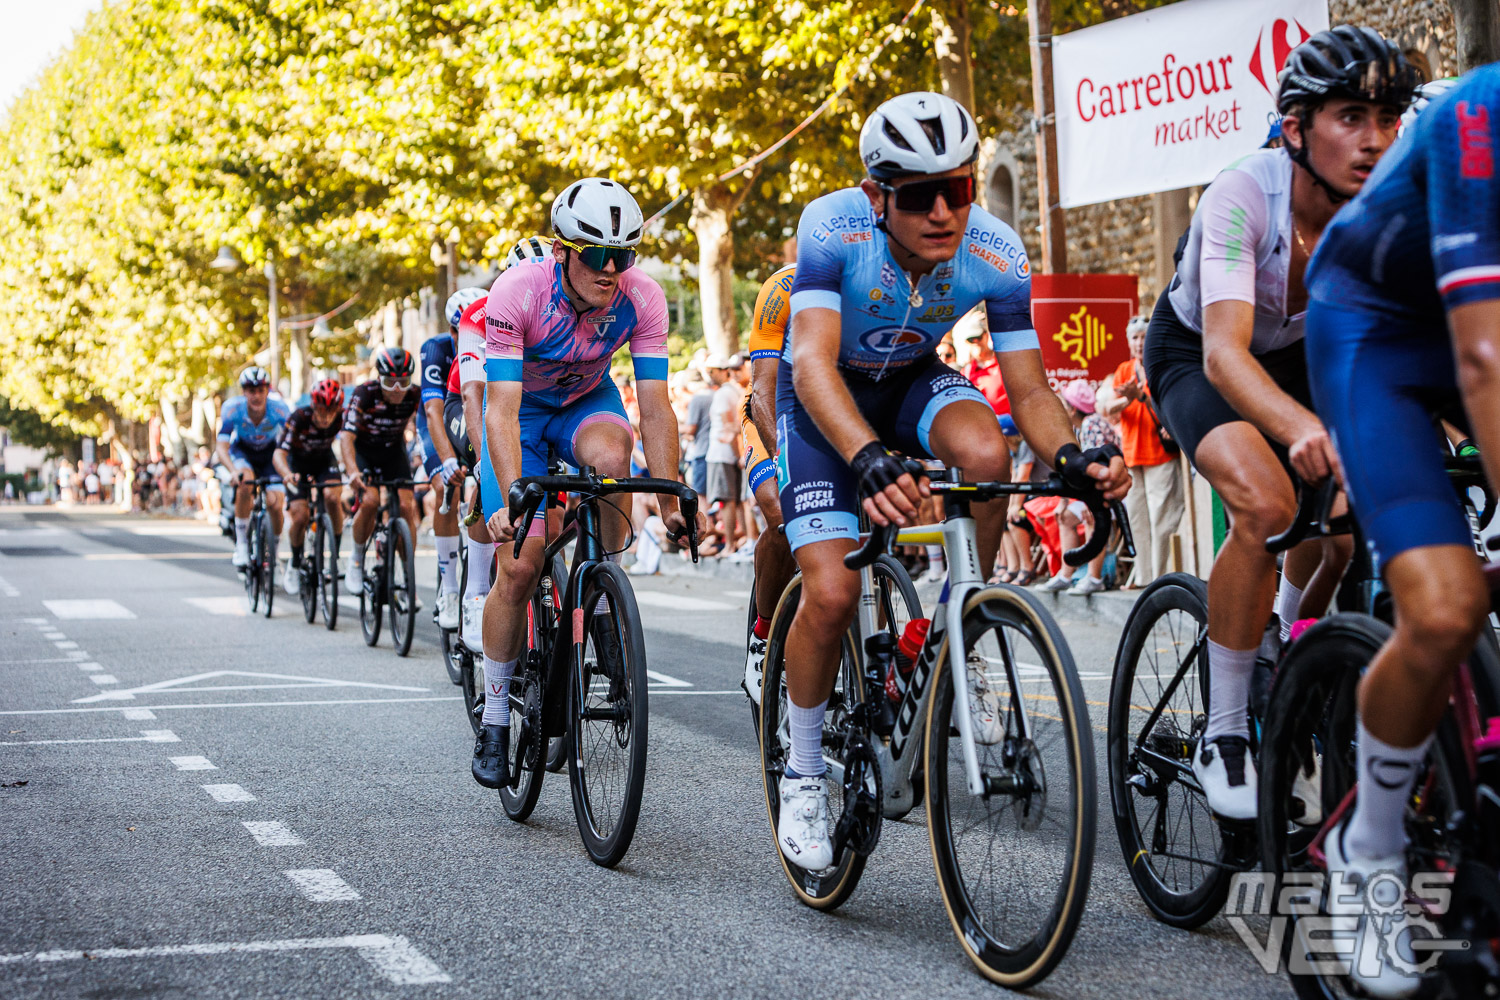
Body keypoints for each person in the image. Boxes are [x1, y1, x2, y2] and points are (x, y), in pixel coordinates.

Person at [775, 91, 1128, 868]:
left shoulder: (996, 251)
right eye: (919, 196)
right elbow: (810, 364)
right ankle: (801, 772)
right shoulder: (832, 228)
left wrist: (1071, 458)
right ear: (876, 196)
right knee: (831, 593)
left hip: (908, 380)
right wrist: (867, 457)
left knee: (988, 455)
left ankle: (954, 625)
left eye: (959, 189)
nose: (944, 212)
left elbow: (1029, 389)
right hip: (824, 398)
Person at [1141, 26, 1415, 823]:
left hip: (1298, 354)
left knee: (1339, 533)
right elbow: (1226, 355)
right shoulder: (1243, 193)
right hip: (1200, 351)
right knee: (1266, 504)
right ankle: (1225, 731)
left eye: (1388, 118)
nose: (1375, 139)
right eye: (1351, 117)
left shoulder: (1384, 202)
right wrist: (1302, 431)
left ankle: (1282, 648)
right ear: (1294, 129)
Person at [1301, 65, 1499, 998]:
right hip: (1377, 337)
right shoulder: (1479, 116)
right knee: (1445, 607)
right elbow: (1483, 359)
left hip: (1478, 334)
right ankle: (1368, 842)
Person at [473, 178, 700, 790]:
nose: (611, 270)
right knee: (519, 565)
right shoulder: (518, 291)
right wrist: (515, 495)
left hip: (584, 404)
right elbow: (500, 409)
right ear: (561, 250)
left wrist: (670, 495)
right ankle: (495, 716)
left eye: (622, 256)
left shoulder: (642, 298)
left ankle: (599, 591)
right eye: (597, 255)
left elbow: (655, 406)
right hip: (521, 415)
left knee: (613, 457)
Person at [449, 236, 552, 647]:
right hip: (483, 405)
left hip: (534, 411)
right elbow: (473, 396)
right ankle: (476, 591)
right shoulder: (480, 314)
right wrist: (482, 462)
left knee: (555, 513)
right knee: (484, 478)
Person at [741, 263, 799, 703]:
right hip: (774, 413)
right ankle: (763, 637)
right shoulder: (782, 287)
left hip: (841, 415)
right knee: (783, 512)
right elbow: (762, 391)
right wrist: (786, 458)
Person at [1097, 315, 1184, 588]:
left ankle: (1160, 578)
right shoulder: (1124, 370)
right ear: (1128, 342)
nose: (1139, 343)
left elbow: (1174, 403)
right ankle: (1144, 577)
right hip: (1132, 454)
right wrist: (1129, 398)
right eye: (1134, 338)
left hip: (1160, 453)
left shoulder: (1162, 365)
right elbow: (1108, 410)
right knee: (1137, 519)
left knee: (1162, 518)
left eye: (1144, 337)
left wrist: (1142, 397)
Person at [421, 287, 487, 629]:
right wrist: (447, 460)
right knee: (445, 486)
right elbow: (433, 411)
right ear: (452, 331)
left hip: (476, 411)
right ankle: (448, 589)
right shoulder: (436, 349)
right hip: (438, 420)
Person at [339, 346, 421, 593]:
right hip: (364, 453)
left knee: (407, 506)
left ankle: (408, 577)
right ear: (379, 378)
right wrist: (352, 472)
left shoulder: (414, 394)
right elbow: (346, 437)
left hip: (394, 452)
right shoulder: (364, 393)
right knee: (371, 501)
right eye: (389, 382)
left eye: (403, 383)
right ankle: (356, 560)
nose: (396, 390)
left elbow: (429, 425)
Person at [272, 378, 347, 594]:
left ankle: (335, 555)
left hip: (324, 460)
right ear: (313, 406)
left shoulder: (342, 417)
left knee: (333, 497)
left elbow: (351, 441)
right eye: (321, 410)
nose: (326, 417)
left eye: (331, 411)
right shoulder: (299, 417)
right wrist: (287, 474)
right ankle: (295, 563)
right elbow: (279, 453)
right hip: (297, 464)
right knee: (300, 516)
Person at [215, 367, 290, 569]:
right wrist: (233, 470)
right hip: (243, 453)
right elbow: (221, 446)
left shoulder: (280, 409)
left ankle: (274, 552)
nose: (256, 395)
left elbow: (292, 443)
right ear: (243, 392)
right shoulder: (232, 409)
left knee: (276, 504)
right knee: (244, 483)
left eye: (260, 390)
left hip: (270, 455)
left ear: (267, 391)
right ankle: (241, 544)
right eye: (251, 391)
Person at [706, 354, 747, 556]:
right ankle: (741, 540)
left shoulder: (725, 394)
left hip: (722, 454)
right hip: (728, 453)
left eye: (712, 371)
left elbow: (729, 426)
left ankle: (730, 545)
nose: (710, 375)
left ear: (723, 371)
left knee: (727, 500)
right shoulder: (733, 391)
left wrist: (737, 453)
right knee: (735, 500)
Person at [682, 362, 721, 497]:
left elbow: (691, 429)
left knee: (701, 495)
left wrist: (676, 428)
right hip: (715, 450)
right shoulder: (714, 394)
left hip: (701, 451)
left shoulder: (698, 398)